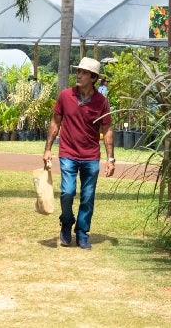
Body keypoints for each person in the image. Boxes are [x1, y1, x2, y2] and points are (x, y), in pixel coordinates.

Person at [43, 57, 114, 250]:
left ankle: (82, 232)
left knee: (88, 196)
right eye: (78, 71)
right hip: (68, 153)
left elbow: (107, 130)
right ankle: (66, 223)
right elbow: (55, 122)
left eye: (83, 72)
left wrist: (110, 159)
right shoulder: (65, 96)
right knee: (67, 192)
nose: (79, 75)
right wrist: (48, 149)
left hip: (91, 156)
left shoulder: (101, 102)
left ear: (93, 78)